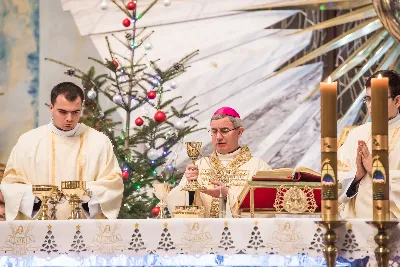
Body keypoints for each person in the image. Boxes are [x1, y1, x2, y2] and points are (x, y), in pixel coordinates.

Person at [1, 82, 123, 220]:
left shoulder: (100, 142)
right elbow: (12, 182)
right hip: (39, 229)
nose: (69, 119)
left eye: (75, 112)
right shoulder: (28, 142)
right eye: (63, 112)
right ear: (51, 108)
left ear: (81, 108)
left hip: (83, 231)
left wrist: (85, 200)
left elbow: (113, 182)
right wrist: (36, 201)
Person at [167, 107, 271, 218]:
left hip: (241, 234)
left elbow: (266, 209)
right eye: (214, 131)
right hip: (205, 233)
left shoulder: (258, 167)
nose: (218, 137)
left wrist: (227, 195)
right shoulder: (199, 166)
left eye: (224, 131)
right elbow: (176, 207)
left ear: (239, 132)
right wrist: (189, 185)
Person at [338, 70, 400, 218]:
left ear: (397, 101)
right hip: (355, 229)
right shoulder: (357, 135)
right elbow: (332, 182)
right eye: (368, 99)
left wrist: (377, 172)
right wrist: (356, 175)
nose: (372, 105)